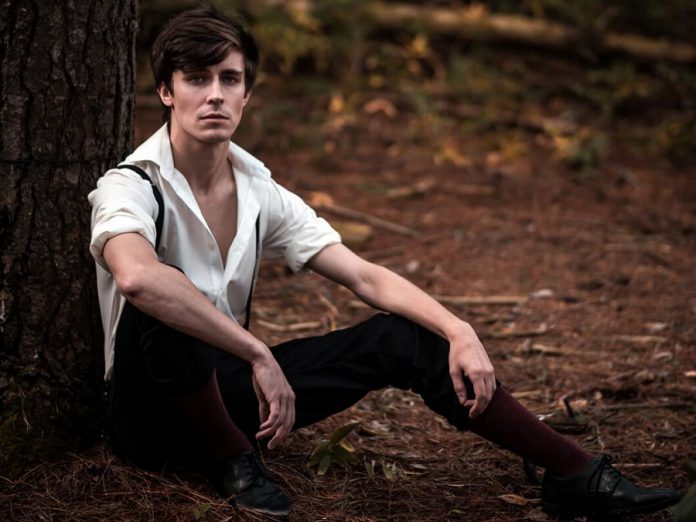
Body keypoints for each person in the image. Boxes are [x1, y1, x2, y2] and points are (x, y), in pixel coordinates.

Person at [89, 6, 680, 520]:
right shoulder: (131, 185)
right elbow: (138, 277)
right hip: (150, 422)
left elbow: (363, 274)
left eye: (230, 78)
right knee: (167, 297)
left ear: (247, 93)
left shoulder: (258, 189)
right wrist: (256, 351)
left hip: (238, 398)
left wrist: (457, 328)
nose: (214, 93)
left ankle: (574, 473)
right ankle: (234, 463)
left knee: (401, 337)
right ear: (166, 91)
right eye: (197, 78)